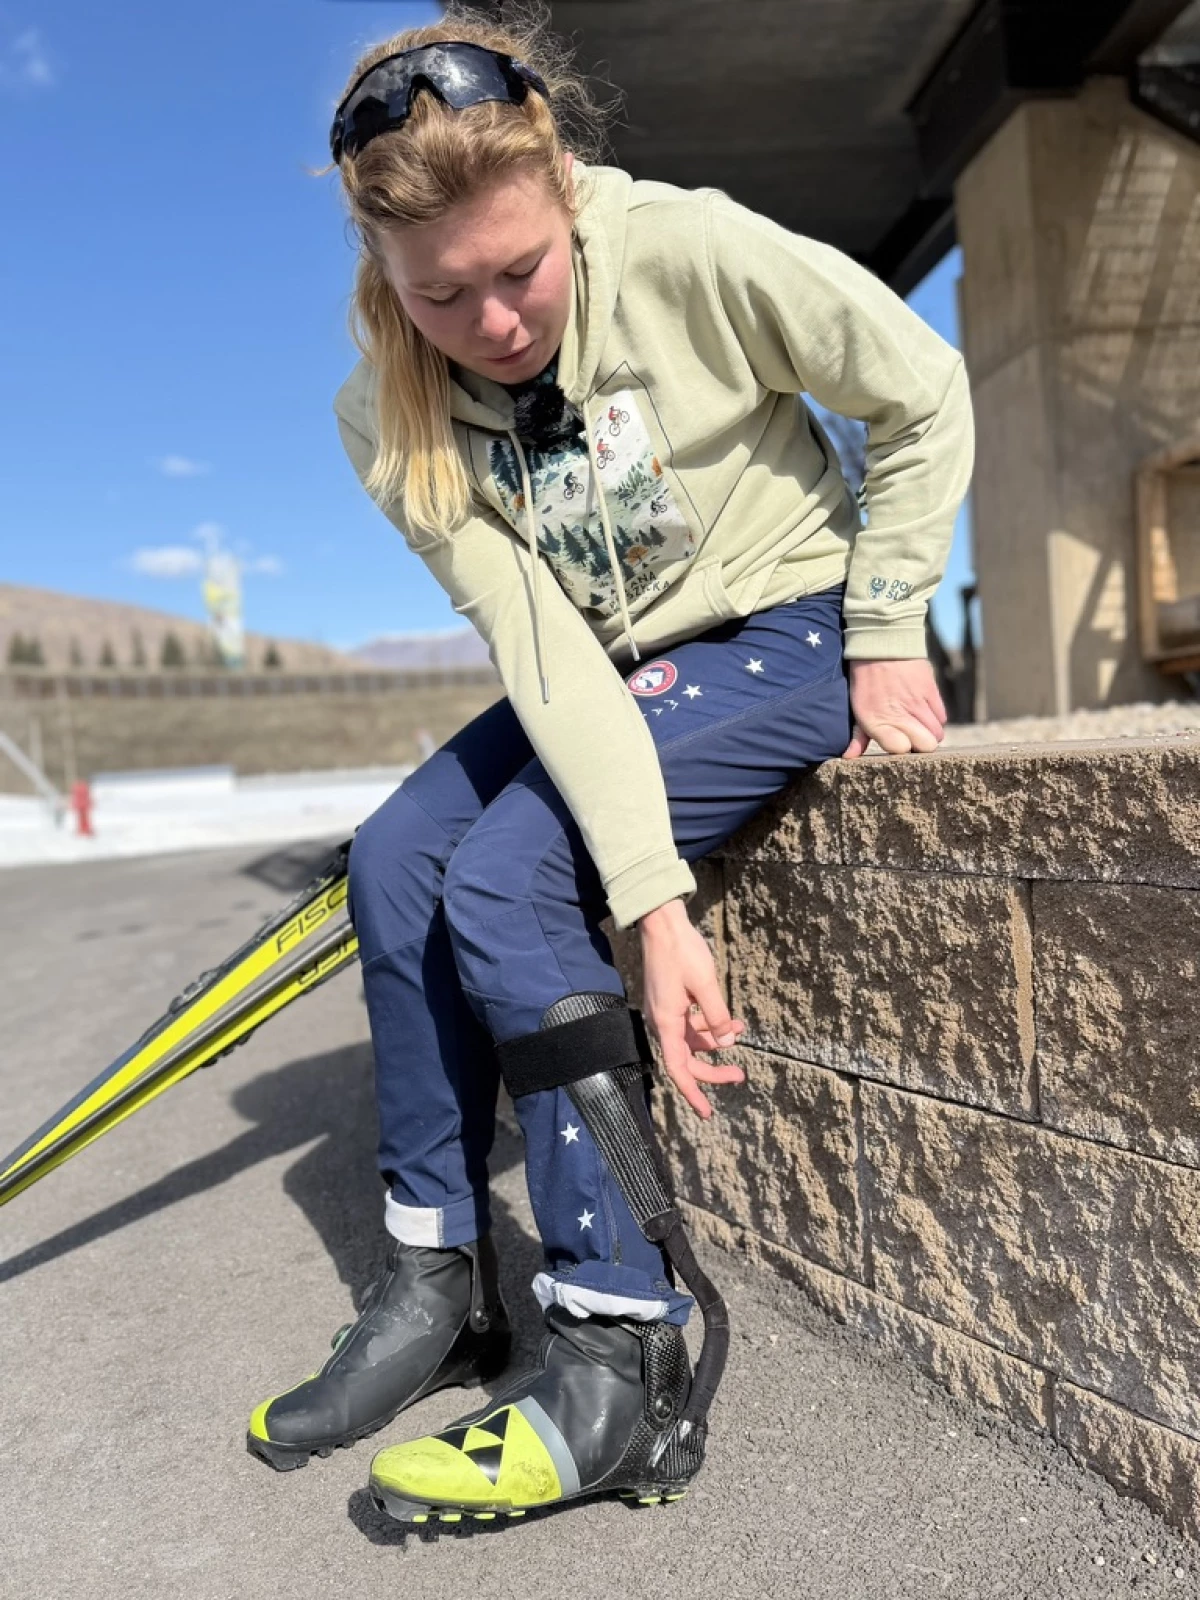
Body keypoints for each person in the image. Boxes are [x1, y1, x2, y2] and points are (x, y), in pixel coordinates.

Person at [245, 4, 974, 1530]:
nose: (496, 323)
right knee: (400, 858)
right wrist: (648, 882)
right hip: (614, 666)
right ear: (382, 275)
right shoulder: (383, 409)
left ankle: (617, 1349)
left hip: (778, 630)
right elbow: (548, 653)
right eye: (442, 295)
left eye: (520, 272)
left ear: (563, 181)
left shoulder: (692, 249)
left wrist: (892, 620)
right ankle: (441, 1276)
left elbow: (919, 386)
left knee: (515, 874)